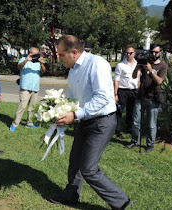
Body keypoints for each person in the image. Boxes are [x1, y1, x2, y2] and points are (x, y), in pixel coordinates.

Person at [51, 35, 131, 209]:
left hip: (102, 122)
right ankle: (71, 195)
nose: (59, 58)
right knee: (75, 163)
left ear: (74, 52)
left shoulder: (97, 63)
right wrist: (63, 111)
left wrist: (76, 115)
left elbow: (102, 98)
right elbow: (74, 97)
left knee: (88, 169)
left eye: (61, 54)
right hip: (84, 121)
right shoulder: (72, 70)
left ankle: (121, 202)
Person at [126, 44, 167, 153]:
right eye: (152, 52)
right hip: (140, 96)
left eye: (156, 52)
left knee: (151, 124)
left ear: (160, 53)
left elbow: (159, 81)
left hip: (154, 98)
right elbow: (135, 76)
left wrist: (151, 70)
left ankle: (150, 144)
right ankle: (134, 141)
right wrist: (138, 66)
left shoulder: (163, 66)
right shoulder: (145, 63)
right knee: (136, 121)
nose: (154, 54)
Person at [9, 47, 46, 132]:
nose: (35, 56)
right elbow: (19, 67)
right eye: (34, 54)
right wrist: (27, 60)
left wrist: (41, 63)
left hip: (35, 87)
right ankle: (14, 124)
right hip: (25, 87)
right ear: (30, 53)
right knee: (22, 106)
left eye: (37, 54)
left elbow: (44, 71)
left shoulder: (38, 62)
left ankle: (29, 123)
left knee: (32, 107)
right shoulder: (23, 59)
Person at [114, 45, 140, 137]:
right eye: (127, 53)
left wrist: (138, 90)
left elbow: (138, 79)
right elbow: (116, 80)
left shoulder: (138, 65)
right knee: (120, 111)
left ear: (134, 54)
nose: (128, 55)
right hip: (123, 90)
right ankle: (117, 130)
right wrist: (115, 93)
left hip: (134, 91)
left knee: (131, 111)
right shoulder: (120, 65)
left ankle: (129, 128)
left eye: (130, 53)